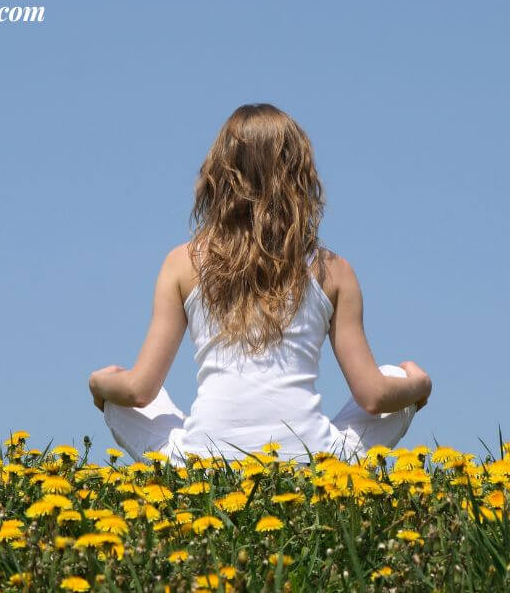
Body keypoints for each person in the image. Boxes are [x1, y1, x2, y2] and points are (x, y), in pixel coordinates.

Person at [89, 103, 432, 465]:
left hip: (202, 461)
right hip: (312, 459)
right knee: (393, 376)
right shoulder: (334, 270)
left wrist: (100, 385)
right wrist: (419, 385)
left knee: (121, 396)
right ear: (301, 177)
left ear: (218, 176)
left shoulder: (180, 263)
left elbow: (140, 391)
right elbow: (374, 397)